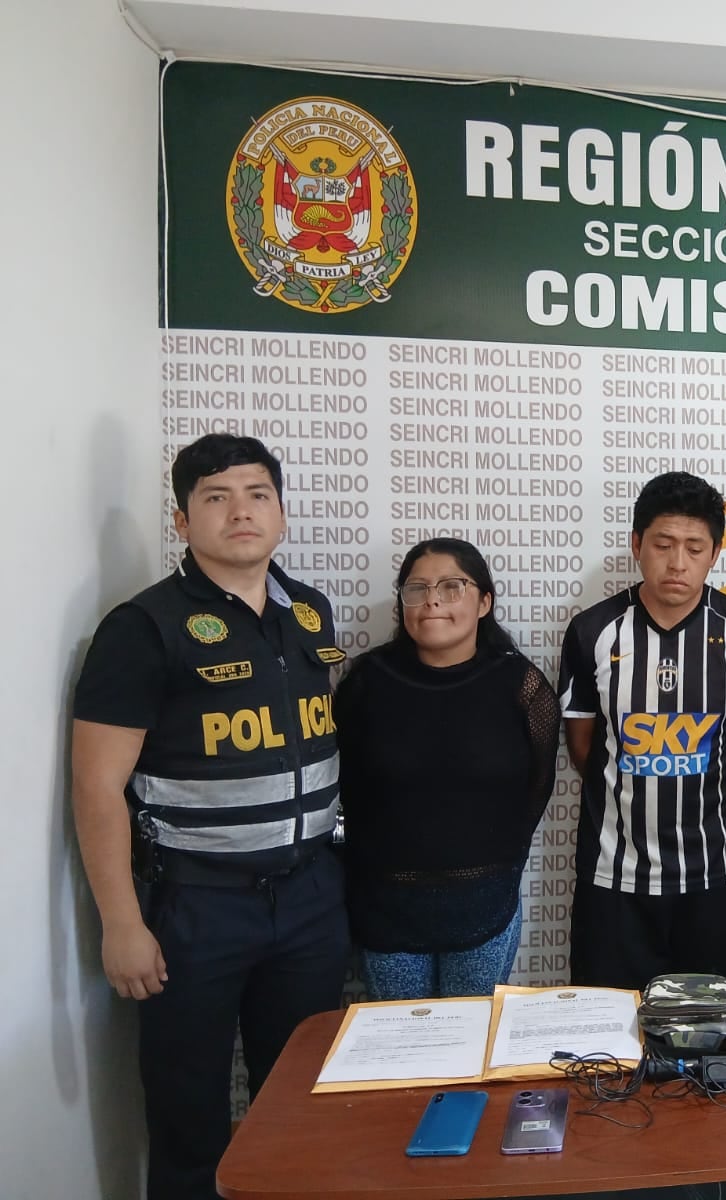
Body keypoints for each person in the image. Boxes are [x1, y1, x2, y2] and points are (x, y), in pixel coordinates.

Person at [71, 434, 349, 1200]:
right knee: (190, 1119)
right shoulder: (145, 627)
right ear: (182, 519)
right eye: (215, 498)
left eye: (257, 494)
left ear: (282, 513)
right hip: (195, 907)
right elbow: (97, 789)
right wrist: (120, 922)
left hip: (310, 897)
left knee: (300, 1108)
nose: (240, 512)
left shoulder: (310, 612)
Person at [558, 472, 726, 994]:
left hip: (714, 876)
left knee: (717, 1038)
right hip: (614, 877)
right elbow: (584, 747)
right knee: (608, 1041)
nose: (677, 562)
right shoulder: (592, 631)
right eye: (662, 545)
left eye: (693, 547)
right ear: (637, 544)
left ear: (715, 552)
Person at [334, 538, 560, 1000]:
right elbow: (346, 787)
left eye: (451, 586)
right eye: (416, 589)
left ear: (484, 602)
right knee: (403, 1054)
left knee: (473, 1049)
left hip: (485, 905)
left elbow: (538, 786)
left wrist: (498, 864)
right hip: (386, 907)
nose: (432, 599)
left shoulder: (522, 686)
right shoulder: (366, 682)